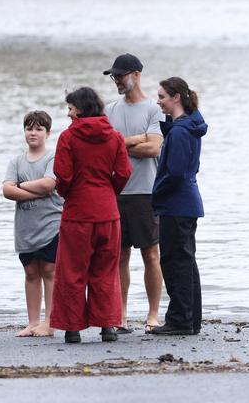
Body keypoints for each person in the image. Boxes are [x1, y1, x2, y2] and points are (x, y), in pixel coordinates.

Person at [50, 87, 132, 343]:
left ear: (81, 109)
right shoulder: (115, 137)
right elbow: (124, 172)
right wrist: (109, 191)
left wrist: (68, 194)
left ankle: (72, 329)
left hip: (78, 212)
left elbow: (62, 175)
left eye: (71, 108)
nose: (69, 113)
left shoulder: (68, 137)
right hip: (107, 211)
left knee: (72, 270)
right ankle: (107, 325)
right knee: (106, 270)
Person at [103, 53, 164, 333]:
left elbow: (154, 148)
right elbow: (104, 149)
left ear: (137, 74)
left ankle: (153, 314)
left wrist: (120, 145)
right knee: (119, 256)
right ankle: (121, 314)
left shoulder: (154, 109)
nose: (117, 80)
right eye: (114, 76)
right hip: (115, 191)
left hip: (145, 191)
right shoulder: (110, 110)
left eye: (121, 75)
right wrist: (132, 141)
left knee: (151, 254)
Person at [149, 77, 207, 336]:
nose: (158, 101)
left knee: (175, 262)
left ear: (175, 97)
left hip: (177, 204)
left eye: (162, 96)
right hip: (183, 203)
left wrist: (156, 193)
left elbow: (177, 172)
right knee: (184, 260)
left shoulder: (182, 131)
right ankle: (189, 319)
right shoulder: (184, 126)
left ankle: (181, 319)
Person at [2, 111, 63, 337]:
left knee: (49, 270)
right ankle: (33, 321)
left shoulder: (52, 158)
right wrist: (33, 191)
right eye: (29, 128)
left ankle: (50, 321)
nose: (33, 133)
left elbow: (49, 184)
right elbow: (7, 189)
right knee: (30, 272)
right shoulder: (16, 161)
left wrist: (23, 185)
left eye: (38, 129)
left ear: (48, 132)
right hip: (25, 228)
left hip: (51, 225)